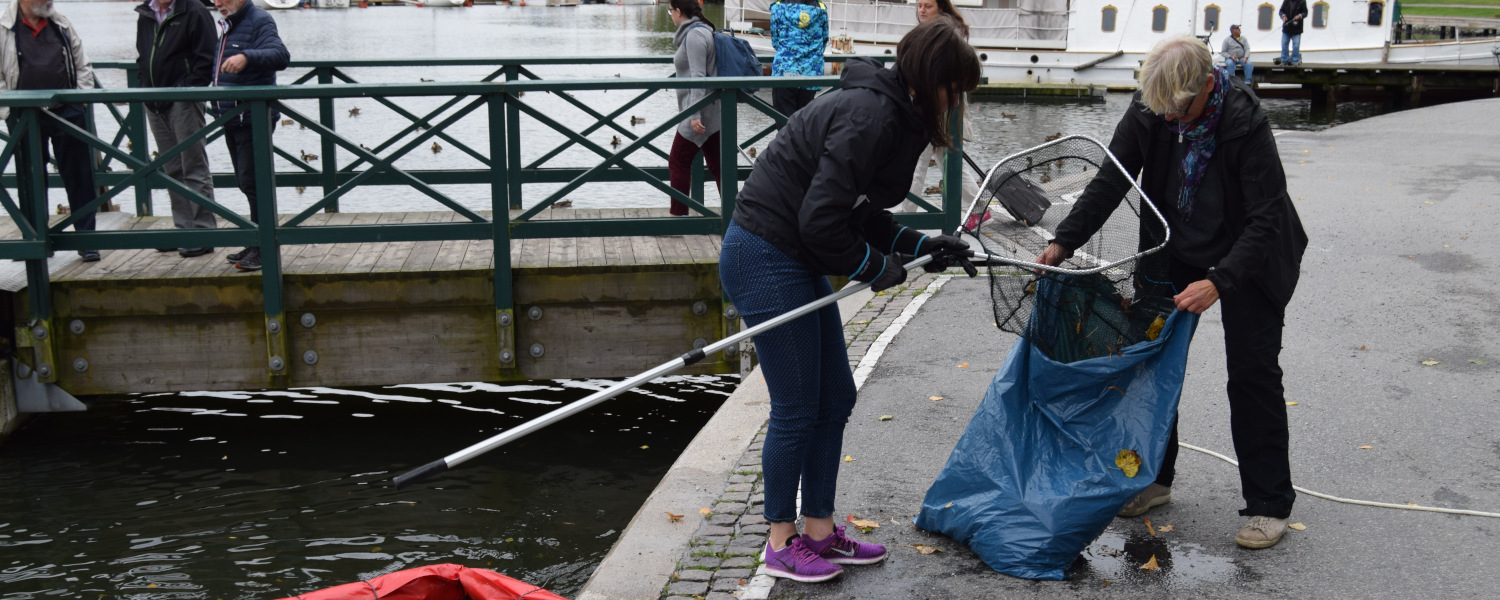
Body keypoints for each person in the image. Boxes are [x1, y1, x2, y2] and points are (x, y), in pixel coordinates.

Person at [720, 17, 980, 582]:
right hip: (764, 255)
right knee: (795, 408)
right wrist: (872, 268)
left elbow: (857, 211)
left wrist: (919, 244)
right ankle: (780, 542)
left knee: (834, 397)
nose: (956, 101)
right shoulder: (870, 116)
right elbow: (820, 223)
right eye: (954, 89)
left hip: (794, 255)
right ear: (933, 79)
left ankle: (818, 530)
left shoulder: (890, 112)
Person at [1037, 35, 1308, 550]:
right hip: (1174, 247)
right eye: (1163, 111)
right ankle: (1154, 480)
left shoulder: (1245, 122)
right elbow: (1109, 183)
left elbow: (1265, 215)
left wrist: (1220, 281)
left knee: (1251, 372)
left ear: (1209, 85)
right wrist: (1062, 242)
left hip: (1251, 255)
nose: (1172, 121)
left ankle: (1269, 504)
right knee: (1152, 363)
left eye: (1181, 110)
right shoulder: (1154, 107)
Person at [0, 0, 99, 261]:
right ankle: (35, 240)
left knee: (79, 174)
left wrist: (80, 100)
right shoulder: (3, 27)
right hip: (23, 114)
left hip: (66, 111)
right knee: (30, 177)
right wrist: (7, 108)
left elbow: (82, 64)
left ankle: (88, 241)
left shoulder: (61, 23)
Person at [211, 0, 289, 272]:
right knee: (245, 182)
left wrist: (247, 57)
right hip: (232, 117)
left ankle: (265, 248)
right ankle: (257, 240)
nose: (218, 2)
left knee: (254, 183)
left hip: (253, 117)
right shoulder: (228, 24)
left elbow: (280, 55)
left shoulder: (259, 19)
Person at [135, 0, 217, 257]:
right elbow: (142, 55)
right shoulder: (145, 14)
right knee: (171, 169)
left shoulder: (195, 11)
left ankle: (203, 233)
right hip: (153, 101)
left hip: (183, 101)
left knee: (193, 166)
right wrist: (143, 89)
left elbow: (207, 59)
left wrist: (186, 90)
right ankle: (183, 229)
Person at [901, 0, 980, 228]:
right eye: (919, 6)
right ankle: (977, 209)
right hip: (941, 106)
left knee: (916, 162)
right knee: (947, 163)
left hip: (938, 108)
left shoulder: (945, 34)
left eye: (928, 6)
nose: (922, 11)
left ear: (941, 8)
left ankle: (906, 216)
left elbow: (935, 72)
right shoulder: (946, 30)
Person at [666, 0, 720, 217]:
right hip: (711, 110)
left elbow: (698, 76)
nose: (670, 15)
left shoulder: (695, 35)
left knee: (678, 161)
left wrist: (694, 114)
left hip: (700, 113)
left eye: (670, 10)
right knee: (720, 167)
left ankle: (678, 217)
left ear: (679, 11)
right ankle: (738, 219)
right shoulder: (699, 31)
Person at [769, 0, 828, 118]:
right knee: (805, 124)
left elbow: (775, 42)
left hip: (784, 72)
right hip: (810, 74)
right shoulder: (821, 9)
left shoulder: (778, 7)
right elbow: (824, 41)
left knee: (784, 125)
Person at [1279, 0, 1307, 66]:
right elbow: (1281, 11)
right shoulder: (1286, 1)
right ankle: (1284, 61)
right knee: (1284, 44)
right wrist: (1283, 16)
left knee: (1296, 45)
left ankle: (1294, 61)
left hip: (1297, 28)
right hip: (1286, 28)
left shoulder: (1302, 1)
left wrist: (1300, 16)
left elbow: (1305, 12)